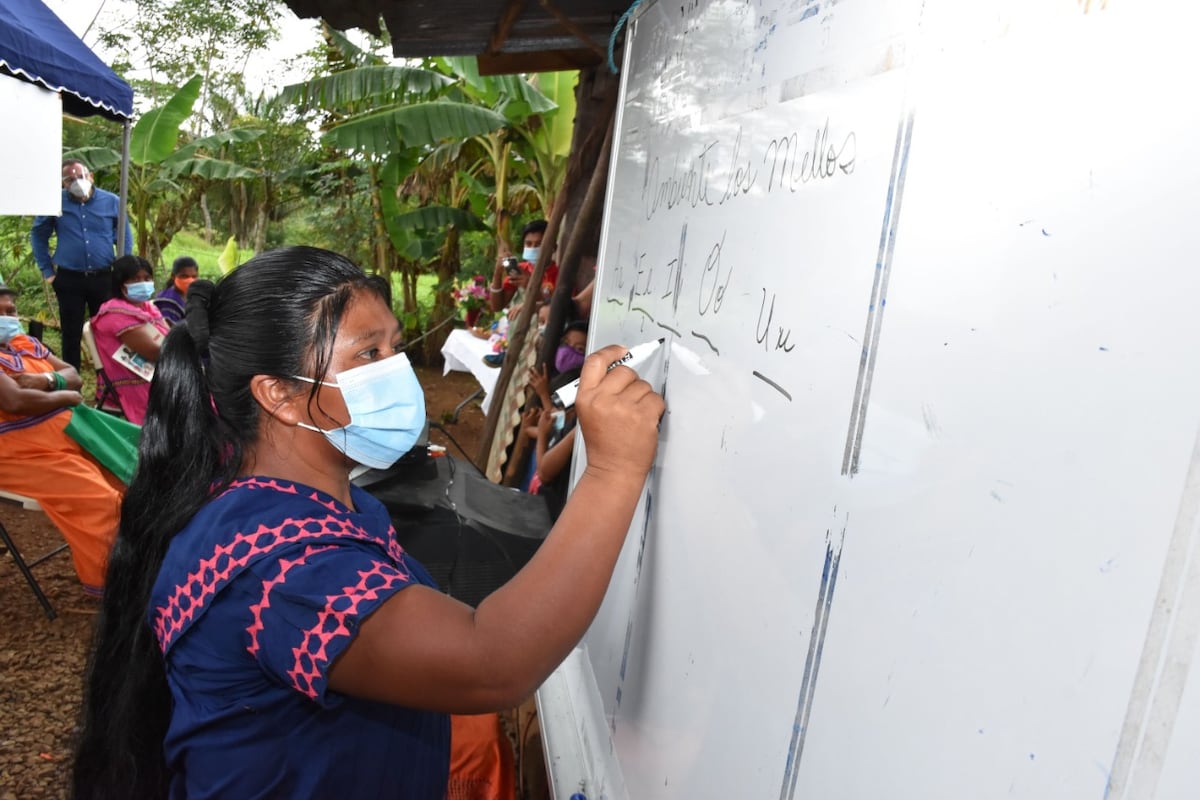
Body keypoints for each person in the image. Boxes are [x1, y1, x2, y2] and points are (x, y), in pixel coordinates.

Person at [73, 246, 663, 799]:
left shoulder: (314, 505)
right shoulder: (278, 567)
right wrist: (611, 470)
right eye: (369, 353)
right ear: (278, 394)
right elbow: (490, 663)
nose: (397, 370)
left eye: (395, 347)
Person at [0, 283, 123, 596]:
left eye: (10, 310)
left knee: (132, 475)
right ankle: (112, 586)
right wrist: (65, 396)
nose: (7, 317)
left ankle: (141, 565)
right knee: (103, 502)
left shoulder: (21, 342)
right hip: (21, 453)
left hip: (70, 434)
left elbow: (73, 373)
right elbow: (15, 402)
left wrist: (46, 380)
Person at [30, 159, 134, 370]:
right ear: (63, 184)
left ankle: (107, 382)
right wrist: (48, 271)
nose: (77, 181)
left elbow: (124, 235)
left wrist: (123, 270)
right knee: (71, 332)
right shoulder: (55, 202)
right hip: (69, 279)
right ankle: (72, 383)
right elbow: (38, 234)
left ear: (91, 176)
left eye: (81, 176)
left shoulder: (112, 201)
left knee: (106, 329)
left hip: (104, 278)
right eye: (70, 179)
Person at [90, 255, 171, 425]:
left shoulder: (147, 307)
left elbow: (168, 339)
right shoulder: (115, 314)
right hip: (135, 380)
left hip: (159, 371)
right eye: (135, 279)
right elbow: (156, 352)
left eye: (147, 278)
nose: (143, 283)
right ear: (122, 285)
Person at [487, 220, 559, 320]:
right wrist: (498, 273)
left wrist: (530, 286)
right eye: (528, 244)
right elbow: (497, 306)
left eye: (539, 244)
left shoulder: (560, 274)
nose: (533, 248)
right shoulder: (519, 269)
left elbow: (560, 307)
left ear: (554, 248)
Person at [154, 256, 198, 326]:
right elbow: (171, 332)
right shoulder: (168, 302)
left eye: (194, 276)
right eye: (184, 276)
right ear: (173, 276)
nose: (190, 280)